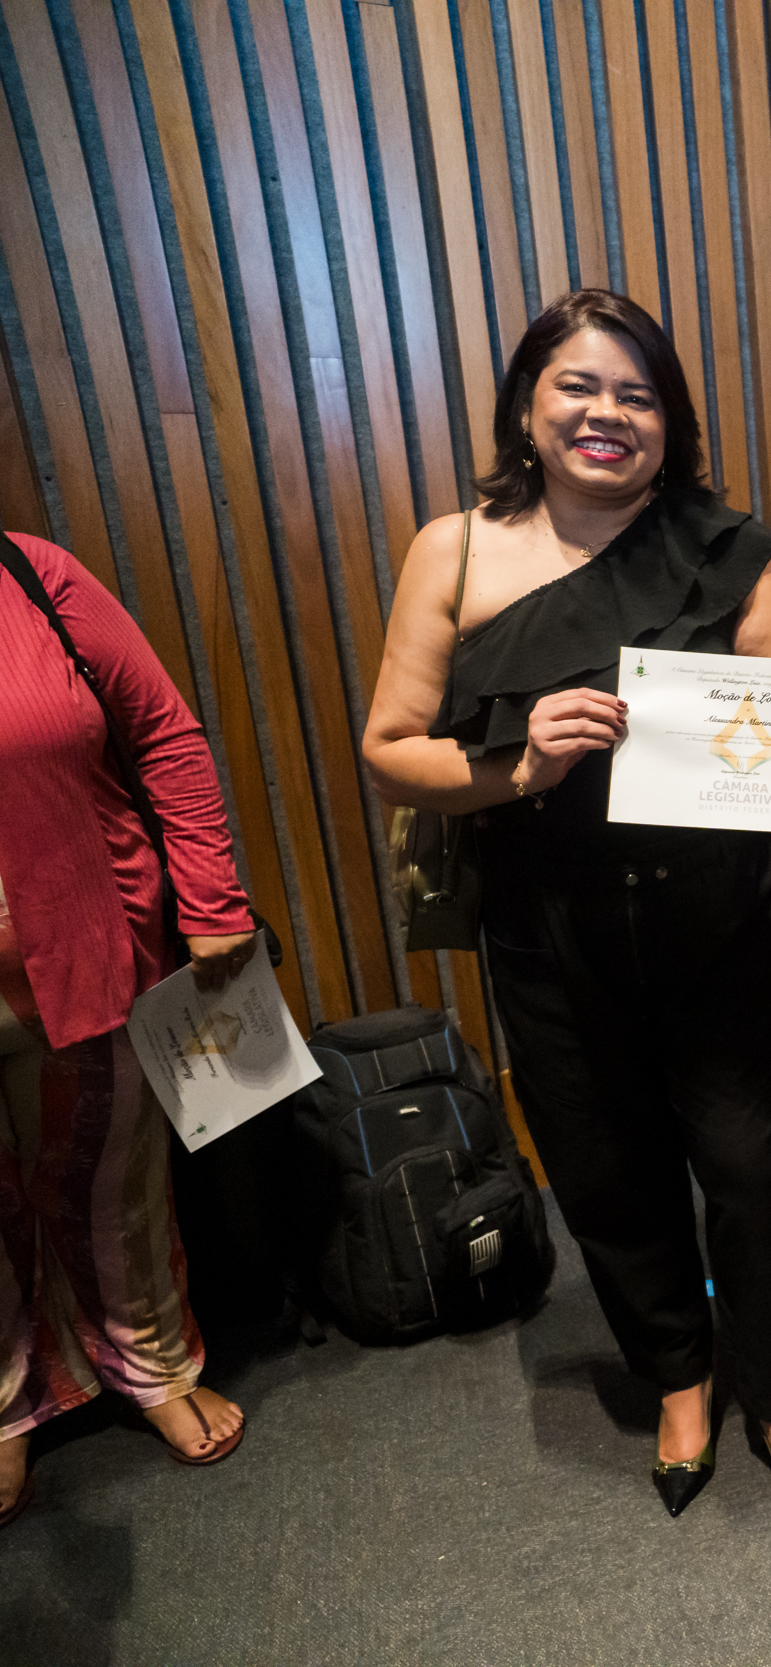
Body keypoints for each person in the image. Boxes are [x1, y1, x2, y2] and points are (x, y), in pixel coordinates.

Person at [362, 289, 771, 1528]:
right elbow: (389, 746)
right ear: (529, 404)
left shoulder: (731, 546)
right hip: (548, 919)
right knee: (604, 1165)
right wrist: (518, 766)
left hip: (719, 912)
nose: (606, 414)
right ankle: (679, 1375)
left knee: (749, 1164)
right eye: (579, 386)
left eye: (637, 395)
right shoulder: (452, 550)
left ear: (670, 424)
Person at [0, 532, 260, 1530]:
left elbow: (164, 734)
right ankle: (7, 1399)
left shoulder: (32, 573)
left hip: (83, 939)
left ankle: (152, 1363)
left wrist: (212, 896)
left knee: (113, 1176)